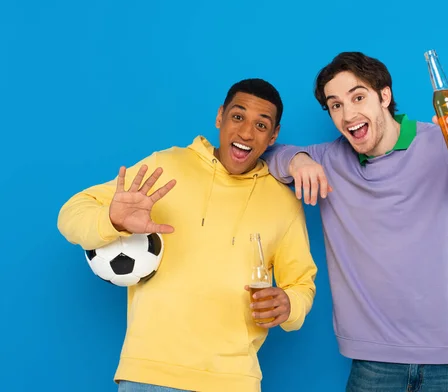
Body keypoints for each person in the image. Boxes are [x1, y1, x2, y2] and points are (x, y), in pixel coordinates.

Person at [262, 52, 448, 391]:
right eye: (335, 105)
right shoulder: (329, 159)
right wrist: (297, 159)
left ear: (384, 96)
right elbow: (267, 153)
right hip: (373, 362)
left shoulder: (446, 146)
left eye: (358, 97)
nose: (348, 114)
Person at [57, 78, 318, 392]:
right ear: (220, 116)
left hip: (234, 380)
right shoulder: (165, 167)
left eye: (261, 125)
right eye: (238, 117)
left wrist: (290, 304)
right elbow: (71, 214)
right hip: (149, 374)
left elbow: (302, 283)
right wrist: (112, 219)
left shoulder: (283, 203)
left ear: (274, 135)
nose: (246, 133)